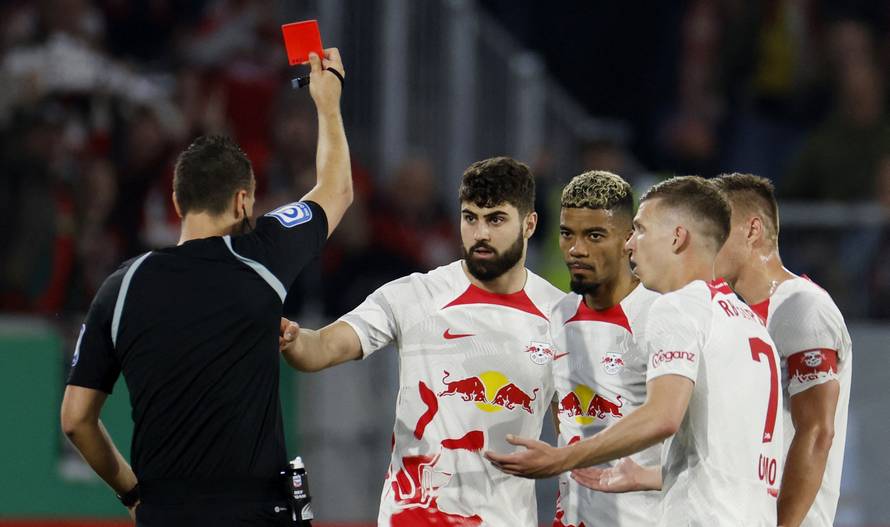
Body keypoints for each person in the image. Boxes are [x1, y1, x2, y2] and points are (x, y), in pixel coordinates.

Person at [59, 49, 351, 525]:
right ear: (242, 201)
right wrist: (327, 101)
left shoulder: (121, 287)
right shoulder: (262, 256)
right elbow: (335, 190)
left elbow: (76, 420)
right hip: (255, 512)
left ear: (177, 201)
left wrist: (132, 493)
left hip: (165, 511)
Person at [279, 157, 563, 526]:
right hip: (414, 517)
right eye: (470, 217)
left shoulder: (561, 317)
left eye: (495, 219)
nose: (480, 233)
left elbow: (581, 441)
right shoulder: (415, 295)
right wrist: (294, 340)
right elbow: (324, 347)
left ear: (529, 224)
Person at [485, 176, 784, 526]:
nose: (630, 246)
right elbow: (732, 457)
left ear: (677, 237)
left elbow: (662, 416)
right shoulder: (746, 319)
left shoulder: (677, 308)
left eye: (640, 230)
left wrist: (562, 458)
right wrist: (647, 475)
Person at [712, 173, 852, 527]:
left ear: (752, 230)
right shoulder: (732, 314)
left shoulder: (803, 309)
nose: (704, 243)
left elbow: (817, 432)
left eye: (715, 231)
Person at [548, 171, 661, 527]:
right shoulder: (558, 315)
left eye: (594, 236)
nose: (576, 249)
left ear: (628, 239)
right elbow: (562, 413)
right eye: (568, 234)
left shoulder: (660, 315)